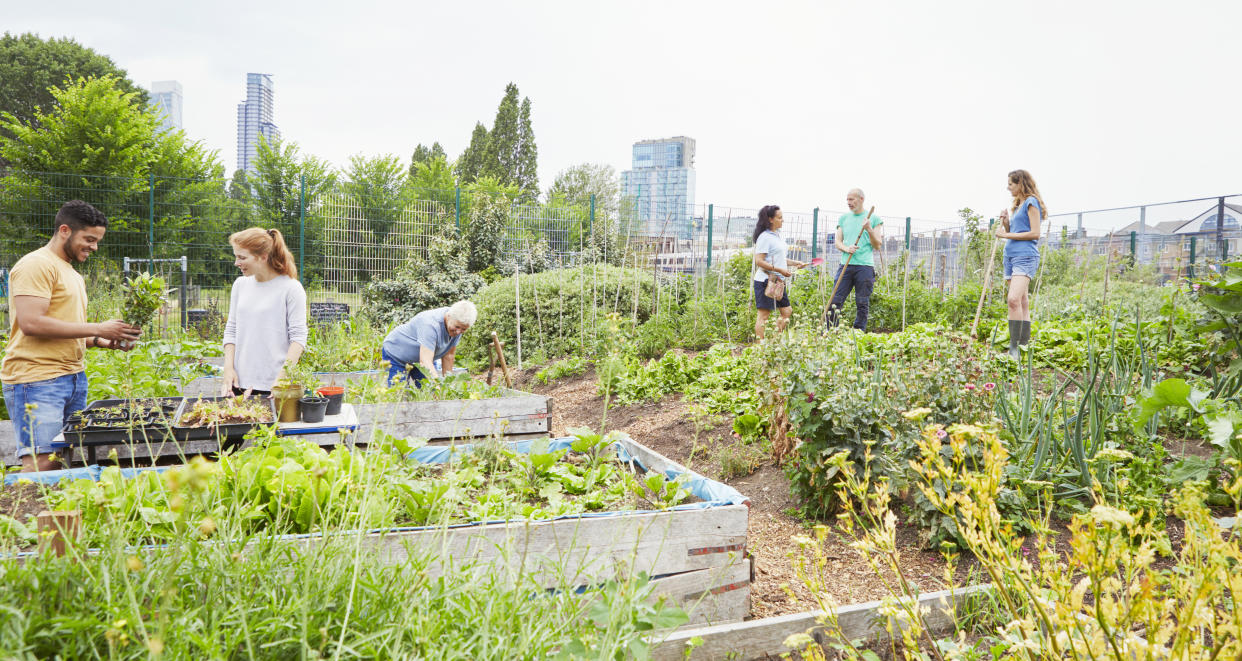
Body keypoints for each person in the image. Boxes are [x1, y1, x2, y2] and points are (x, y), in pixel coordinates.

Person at [1, 200, 141, 472]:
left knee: (62, 458)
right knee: (42, 462)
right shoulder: (36, 265)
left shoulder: (71, 273)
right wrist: (99, 327)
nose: (94, 247)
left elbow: (63, 327)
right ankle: (30, 514)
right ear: (65, 230)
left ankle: (54, 514)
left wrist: (102, 341)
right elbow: (31, 323)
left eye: (97, 240)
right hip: (37, 379)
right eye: (89, 239)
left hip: (72, 378)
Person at [220, 228, 308, 396]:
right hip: (238, 383)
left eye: (242, 257)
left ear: (263, 257)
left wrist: (281, 379)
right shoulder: (240, 285)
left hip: (273, 386)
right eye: (236, 256)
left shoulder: (291, 288)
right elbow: (231, 330)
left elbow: (298, 338)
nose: (236, 263)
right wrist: (228, 369)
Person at [996, 169, 1047, 359]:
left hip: (1025, 257)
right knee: (1022, 302)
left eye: (1011, 183)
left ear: (1020, 184)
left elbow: (1035, 233)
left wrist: (1005, 234)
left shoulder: (1031, 202)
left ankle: (1014, 347)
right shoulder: (1018, 205)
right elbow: (1017, 230)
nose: (1008, 187)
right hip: (1010, 256)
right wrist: (1007, 223)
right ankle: (1024, 346)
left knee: (1013, 300)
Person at [382, 300, 478, 386]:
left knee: (431, 393)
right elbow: (425, 362)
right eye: (457, 327)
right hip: (397, 354)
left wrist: (448, 387)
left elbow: (448, 356)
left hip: (420, 358)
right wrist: (438, 386)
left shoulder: (458, 324)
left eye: (463, 329)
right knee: (401, 395)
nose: (458, 332)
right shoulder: (430, 324)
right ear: (449, 317)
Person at [826, 188, 883, 330]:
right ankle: (831, 332)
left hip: (864, 267)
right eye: (847, 199)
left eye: (852, 199)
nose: (848, 202)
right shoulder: (844, 218)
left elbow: (877, 245)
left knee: (862, 302)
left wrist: (869, 228)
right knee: (835, 300)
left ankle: (858, 334)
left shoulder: (873, 219)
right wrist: (847, 248)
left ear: (861, 199)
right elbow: (838, 242)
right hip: (845, 264)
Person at [752, 205, 806, 339]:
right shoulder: (764, 237)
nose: (783, 220)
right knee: (764, 316)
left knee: (787, 312)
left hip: (778, 282)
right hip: (765, 280)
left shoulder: (777, 236)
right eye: (780, 218)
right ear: (770, 219)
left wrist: (795, 263)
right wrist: (780, 270)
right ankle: (760, 349)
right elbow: (759, 261)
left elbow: (779, 258)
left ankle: (772, 342)